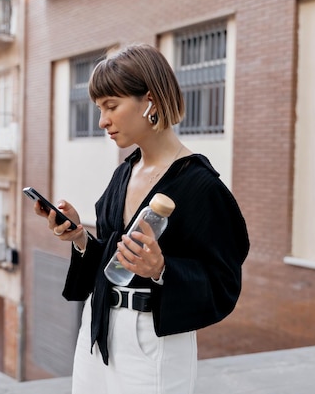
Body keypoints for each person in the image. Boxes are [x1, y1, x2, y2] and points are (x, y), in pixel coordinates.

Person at [33, 43, 249, 394]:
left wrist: (161, 269)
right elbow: (113, 255)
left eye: (111, 106)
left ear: (148, 101)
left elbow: (224, 282)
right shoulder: (125, 172)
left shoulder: (200, 186)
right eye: (100, 108)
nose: (102, 120)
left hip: (152, 337)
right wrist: (80, 238)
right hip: (98, 324)